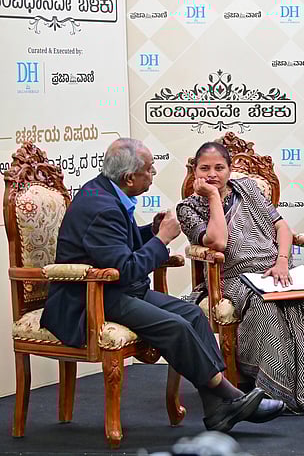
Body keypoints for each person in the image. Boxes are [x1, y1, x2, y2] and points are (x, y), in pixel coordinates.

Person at [41, 138, 282, 432]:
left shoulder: (104, 189)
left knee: (192, 314)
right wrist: (162, 239)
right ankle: (230, 396)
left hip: (115, 289)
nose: (153, 174)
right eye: (149, 170)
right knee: (175, 326)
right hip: (89, 298)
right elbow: (126, 269)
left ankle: (217, 410)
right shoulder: (101, 206)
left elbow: (114, 249)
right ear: (130, 178)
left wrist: (149, 231)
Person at [176, 142, 304, 416]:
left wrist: (281, 261)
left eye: (219, 168)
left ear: (230, 170)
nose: (212, 174)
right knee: (267, 305)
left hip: (275, 269)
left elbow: (282, 227)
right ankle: (275, 389)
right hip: (233, 275)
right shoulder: (188, 208)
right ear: (194, 171)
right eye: (204, 168)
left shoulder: (249, 190)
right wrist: (212, 197)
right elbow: (218, 243)